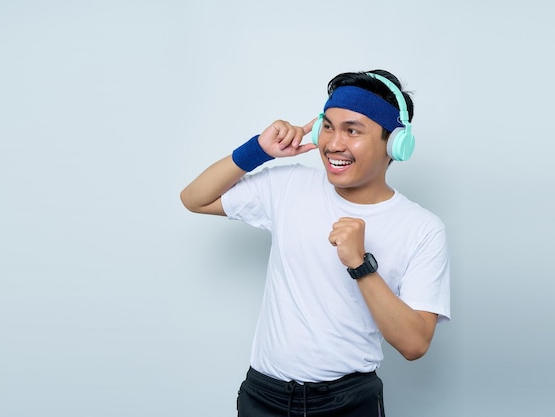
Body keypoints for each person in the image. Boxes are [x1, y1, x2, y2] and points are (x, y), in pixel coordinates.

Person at [179, 69, 451, 417]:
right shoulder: (289, 185)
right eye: (328, 126)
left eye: (352, 130)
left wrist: (360, 264)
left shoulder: (422, 229)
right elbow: (194, 199)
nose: (333, 144)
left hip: (348, 403)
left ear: (396, 142)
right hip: (264, 397)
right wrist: (258, 150)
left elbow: (414, 344)